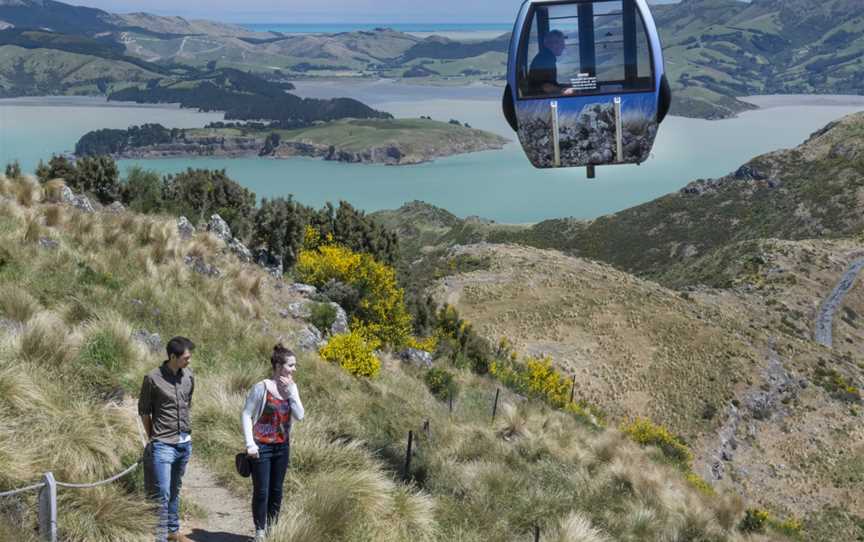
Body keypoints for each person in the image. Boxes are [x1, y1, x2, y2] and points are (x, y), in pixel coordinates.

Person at [241, 344, 305, 541]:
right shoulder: (262, 387)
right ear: (278, 366)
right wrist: (250, 444)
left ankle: (272, 530)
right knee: (262, 491)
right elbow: (246, 414)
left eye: (295, 365)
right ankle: (260, 531)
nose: (294, 369)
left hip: (282, 446)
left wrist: (290, 394)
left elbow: (300, 416)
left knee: (277, 490)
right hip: (261, 447)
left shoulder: (292, 388)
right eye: (291, 365)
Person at [139, 336, 196, 542]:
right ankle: (160, 536)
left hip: (184, 443)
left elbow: (187, 404)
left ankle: (173, 531)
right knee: (162, 492)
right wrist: (153, 437)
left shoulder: (189, 376)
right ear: (173, 356)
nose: (189, 361)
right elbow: (145, 412)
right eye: (186, 358)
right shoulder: (152, 378)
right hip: (162, 443)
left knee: (174, 489)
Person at [528, 30, 577, 97]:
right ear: (551, 44)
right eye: (561, 43)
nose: (563, 47)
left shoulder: (546, 57)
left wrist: (569, 86)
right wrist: (563, 91)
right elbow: (545, 86)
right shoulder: (545, 59)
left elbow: (550, 83)